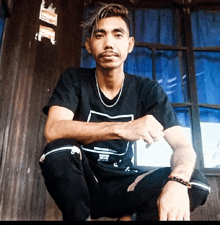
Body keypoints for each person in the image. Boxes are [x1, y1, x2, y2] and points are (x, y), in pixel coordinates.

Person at [39, 3, 210, 221]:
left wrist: (177, 182)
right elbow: (53, 130)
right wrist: (123, 128)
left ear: (130, 44)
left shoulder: (147, 90)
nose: (109, 43)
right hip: (85, 184)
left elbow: (183, 146)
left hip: (127, 186)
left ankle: (129, 219)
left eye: (117, 35)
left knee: (195, 183)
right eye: (100, 35)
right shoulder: (74, 79)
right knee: (57, 151)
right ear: (89, 45)